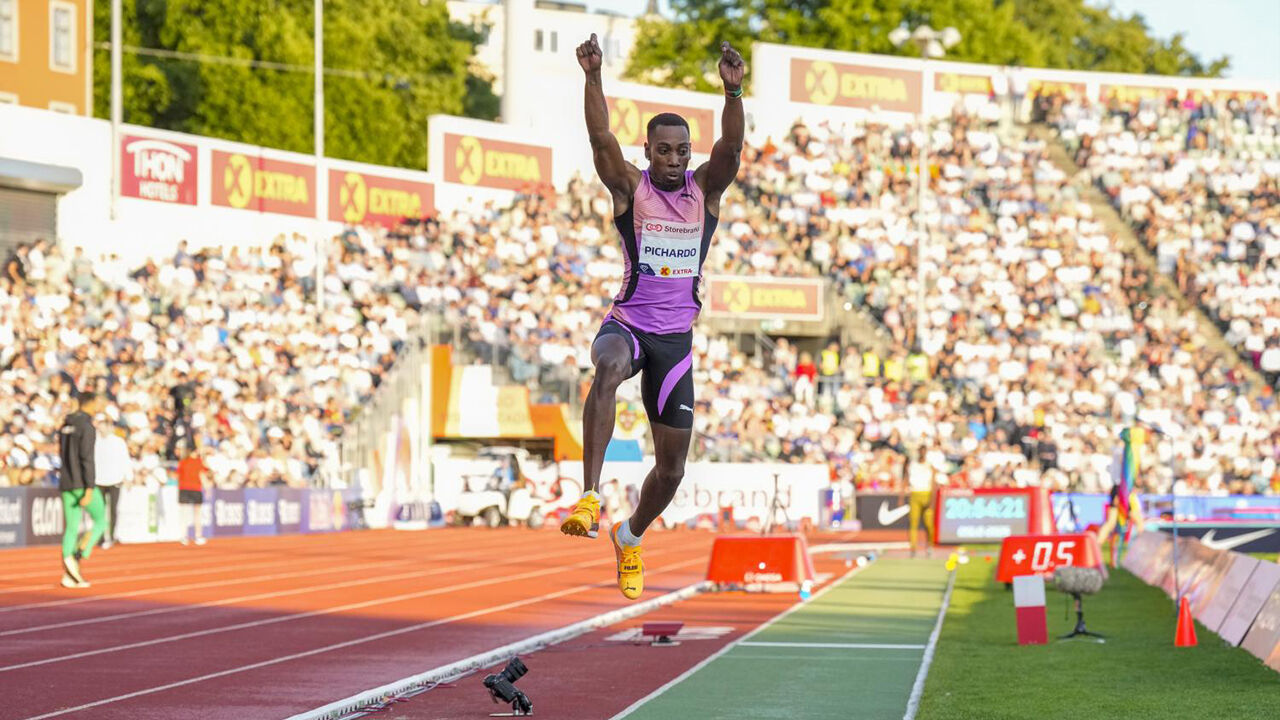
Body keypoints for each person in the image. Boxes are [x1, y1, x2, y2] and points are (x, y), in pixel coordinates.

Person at [560, 34, 745, 600]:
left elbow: (732, 152)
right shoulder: (630, 190)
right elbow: (598, 138)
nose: (673, 159)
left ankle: (631, 535)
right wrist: (593, 78)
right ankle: (590, 496)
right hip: (629, 326)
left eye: (682, 151)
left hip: (675, 344)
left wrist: (733, 93)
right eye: (663, 150)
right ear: (648, 152)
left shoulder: (705, 193)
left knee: (671, 472)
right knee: (608, 368)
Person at [58, 391, 107, 588]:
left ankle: (69, 569)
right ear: (91, 403)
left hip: (66, 482)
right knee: (101, 520)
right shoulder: (87, 427)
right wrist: (89, 487)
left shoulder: (65, 425)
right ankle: (78, 556)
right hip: (81, 483)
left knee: (71, 527)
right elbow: (86, 458)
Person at [93, 420, 132, 548]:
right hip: (98, 480)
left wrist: (128, 477)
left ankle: (112, 535)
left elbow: (125, 459)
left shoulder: (118, 442)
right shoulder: (95, 441)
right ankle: (100, 536)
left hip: (115, 479)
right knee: (100, 510)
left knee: (113, 509)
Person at [899, 445, 938, 558]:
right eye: (920, 451)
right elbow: (906, 479)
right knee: (913, 523)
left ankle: (930, 546)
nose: (922, 453)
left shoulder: (930, 465)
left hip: (926, 494)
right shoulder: (912, 465)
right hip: (915, 494)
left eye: (924, 451)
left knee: (929, 524)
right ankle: (913, 548)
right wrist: (901, 496)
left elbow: (933, 483)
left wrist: (932, 500)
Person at [176, 442, 209, 546]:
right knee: (197, 514)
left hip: (184, 488)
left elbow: (178, 475)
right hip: (195, 488)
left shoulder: (182, 462)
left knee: (184, 513)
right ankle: (198, 536)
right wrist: (207, 488)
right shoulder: (198, 461)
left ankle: (183, 536)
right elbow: (202, 475)